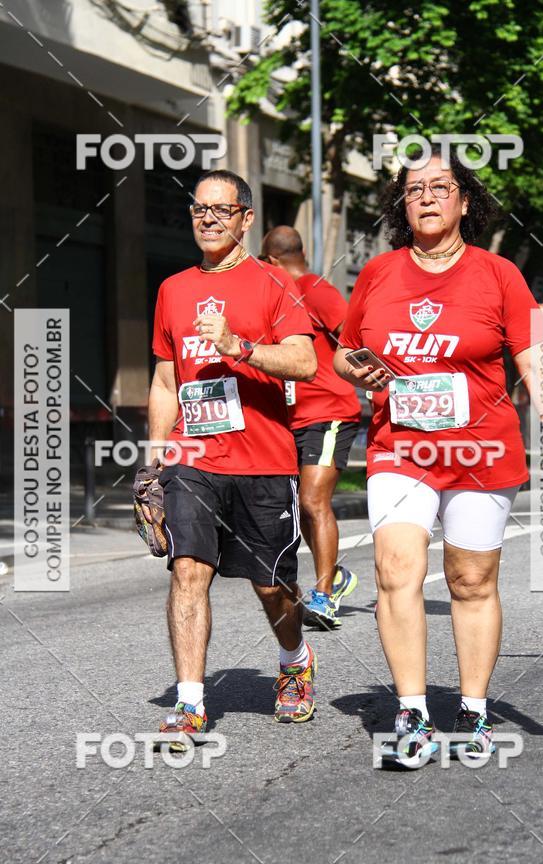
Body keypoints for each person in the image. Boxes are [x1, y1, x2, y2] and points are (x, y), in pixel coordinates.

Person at [333, 147, 543, 767]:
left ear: (464, 201)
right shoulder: (379, 274)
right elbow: (343, 351)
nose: (427, 196)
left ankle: (472, 710)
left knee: (472, 582)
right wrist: (355, 368)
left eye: (441, 186)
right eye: (415, 189)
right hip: (401, 446)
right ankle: (411, 716)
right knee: (396, 570)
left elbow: (536, 362)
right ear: (401, 204)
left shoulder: (498, 275)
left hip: (481, 449)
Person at [147, 170, 318, 746]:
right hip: (194, 459)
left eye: (221, 210)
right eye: (199, 209)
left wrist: (238, 347)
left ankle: (294, 658)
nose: (208, 219)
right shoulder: (172, 289)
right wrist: (155, 461)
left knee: (271, 586)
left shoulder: (273, 284)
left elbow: (304, 362)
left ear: (246, 218)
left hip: (263, 461)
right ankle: (190, 701)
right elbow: (167, 379)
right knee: (188, 571)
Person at [261, 226, 361, 628]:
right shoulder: (278, 297)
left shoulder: (315, 289)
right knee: (299, 507)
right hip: (290, 420)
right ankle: (334, 575)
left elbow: (353, 339)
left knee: (313, 501)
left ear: (272, 262)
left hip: (330, 412)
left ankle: (323, 595)